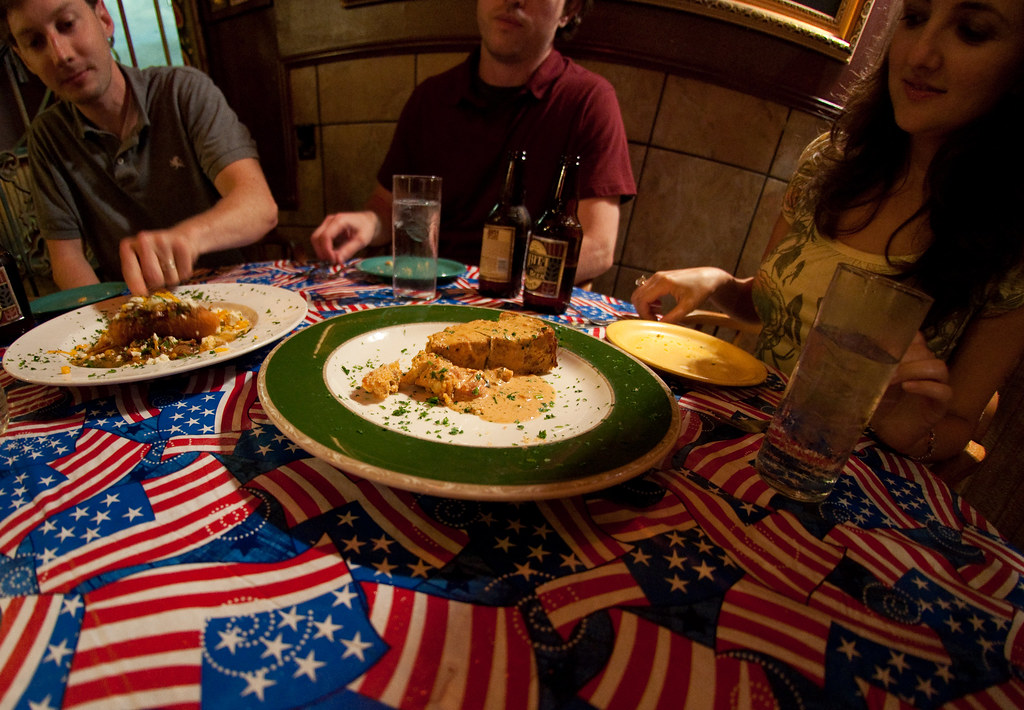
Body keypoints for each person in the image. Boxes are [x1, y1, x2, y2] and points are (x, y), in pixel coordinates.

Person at [631, 0, 1024, 464]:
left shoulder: (1012, 240)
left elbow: (957, 425)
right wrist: (718, 281)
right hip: (738, 434)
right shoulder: (830, 161)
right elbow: (773, 307)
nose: (921, 55)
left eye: (973, 31)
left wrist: (901, 420)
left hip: (845, 473)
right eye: (914, 19)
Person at [310, 0, 635, 284]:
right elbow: (385, 206)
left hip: (519, 301)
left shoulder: (589, 100)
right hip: (429, 291)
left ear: (571, 9)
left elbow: (598, 246)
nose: (513, 0)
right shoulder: (430, 97)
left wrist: (496, 284)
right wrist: (367, 223)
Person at [1, 0, 278, 295]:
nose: (61, 55)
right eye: (35, 42)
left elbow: (259, 207)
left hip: (233, 296)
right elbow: (67, 259)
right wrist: (102, 324)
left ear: (104, 19)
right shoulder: (47, 137)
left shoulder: (182, 91)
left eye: (67, 24)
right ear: (25, 59)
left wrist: (184, 239)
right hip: (133, 305)